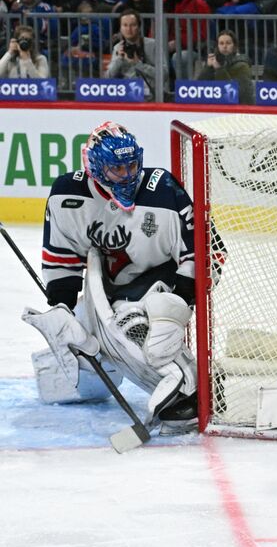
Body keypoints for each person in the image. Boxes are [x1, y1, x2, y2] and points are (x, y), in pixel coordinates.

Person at [21, 122, 199, 434]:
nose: (127, 175)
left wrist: (178, 304)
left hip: (161, 284)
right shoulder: (68, 195)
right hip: (109, 289)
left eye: (132, 166)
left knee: (138, 329)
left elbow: (206, 252)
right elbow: (62, 259)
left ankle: (189, 390)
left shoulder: (163, 190)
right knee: (82, 353)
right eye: (117, 169)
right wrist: (64, 308)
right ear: (94, 167)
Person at [165, 0, 210, 81]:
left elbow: (202, 34)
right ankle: (161, 89)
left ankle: (183, 88)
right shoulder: (167, 3)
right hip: (170, 46)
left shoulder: (198, 4)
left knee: (180, 57)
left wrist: (178, 42)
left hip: (195, 49)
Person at [105, 10, 159, 99]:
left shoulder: (152, 45)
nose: (128, 29)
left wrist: (138, 64)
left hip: (151, 96)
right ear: (120, 28)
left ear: (139, 27)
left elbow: (163, 74)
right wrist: (119, 59)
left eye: (133, 25)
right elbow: (108, 77)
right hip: (126, 97)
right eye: (125, 25)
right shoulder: (118, 47)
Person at [198, 29, 254, 104]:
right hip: (216, 105)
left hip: (238, 107)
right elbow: (199, 87)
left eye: (228, 43)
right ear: (217, 46)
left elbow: (238, 94)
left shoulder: (242, 65)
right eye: (221, 43)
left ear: (234, 46)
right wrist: (208, 68)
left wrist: (220, 70)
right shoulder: (215, 62)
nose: (224, 46)